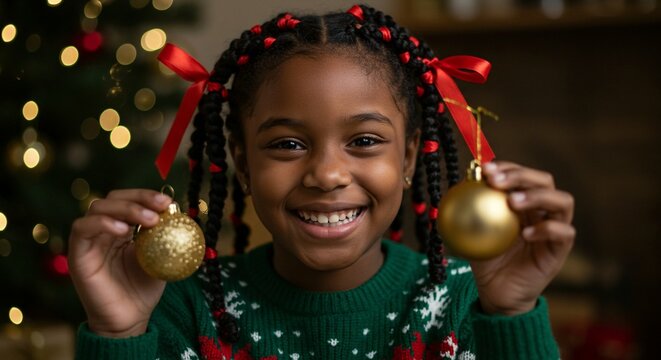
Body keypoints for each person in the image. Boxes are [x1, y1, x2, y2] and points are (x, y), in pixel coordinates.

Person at [68, 4, 575, 359]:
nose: (328, 175)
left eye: (364, 141)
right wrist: (121, 333)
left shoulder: (469, 307)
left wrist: (511, 316)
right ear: (243, 165)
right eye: (288, 144)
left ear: (410, 156)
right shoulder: (183, 310)